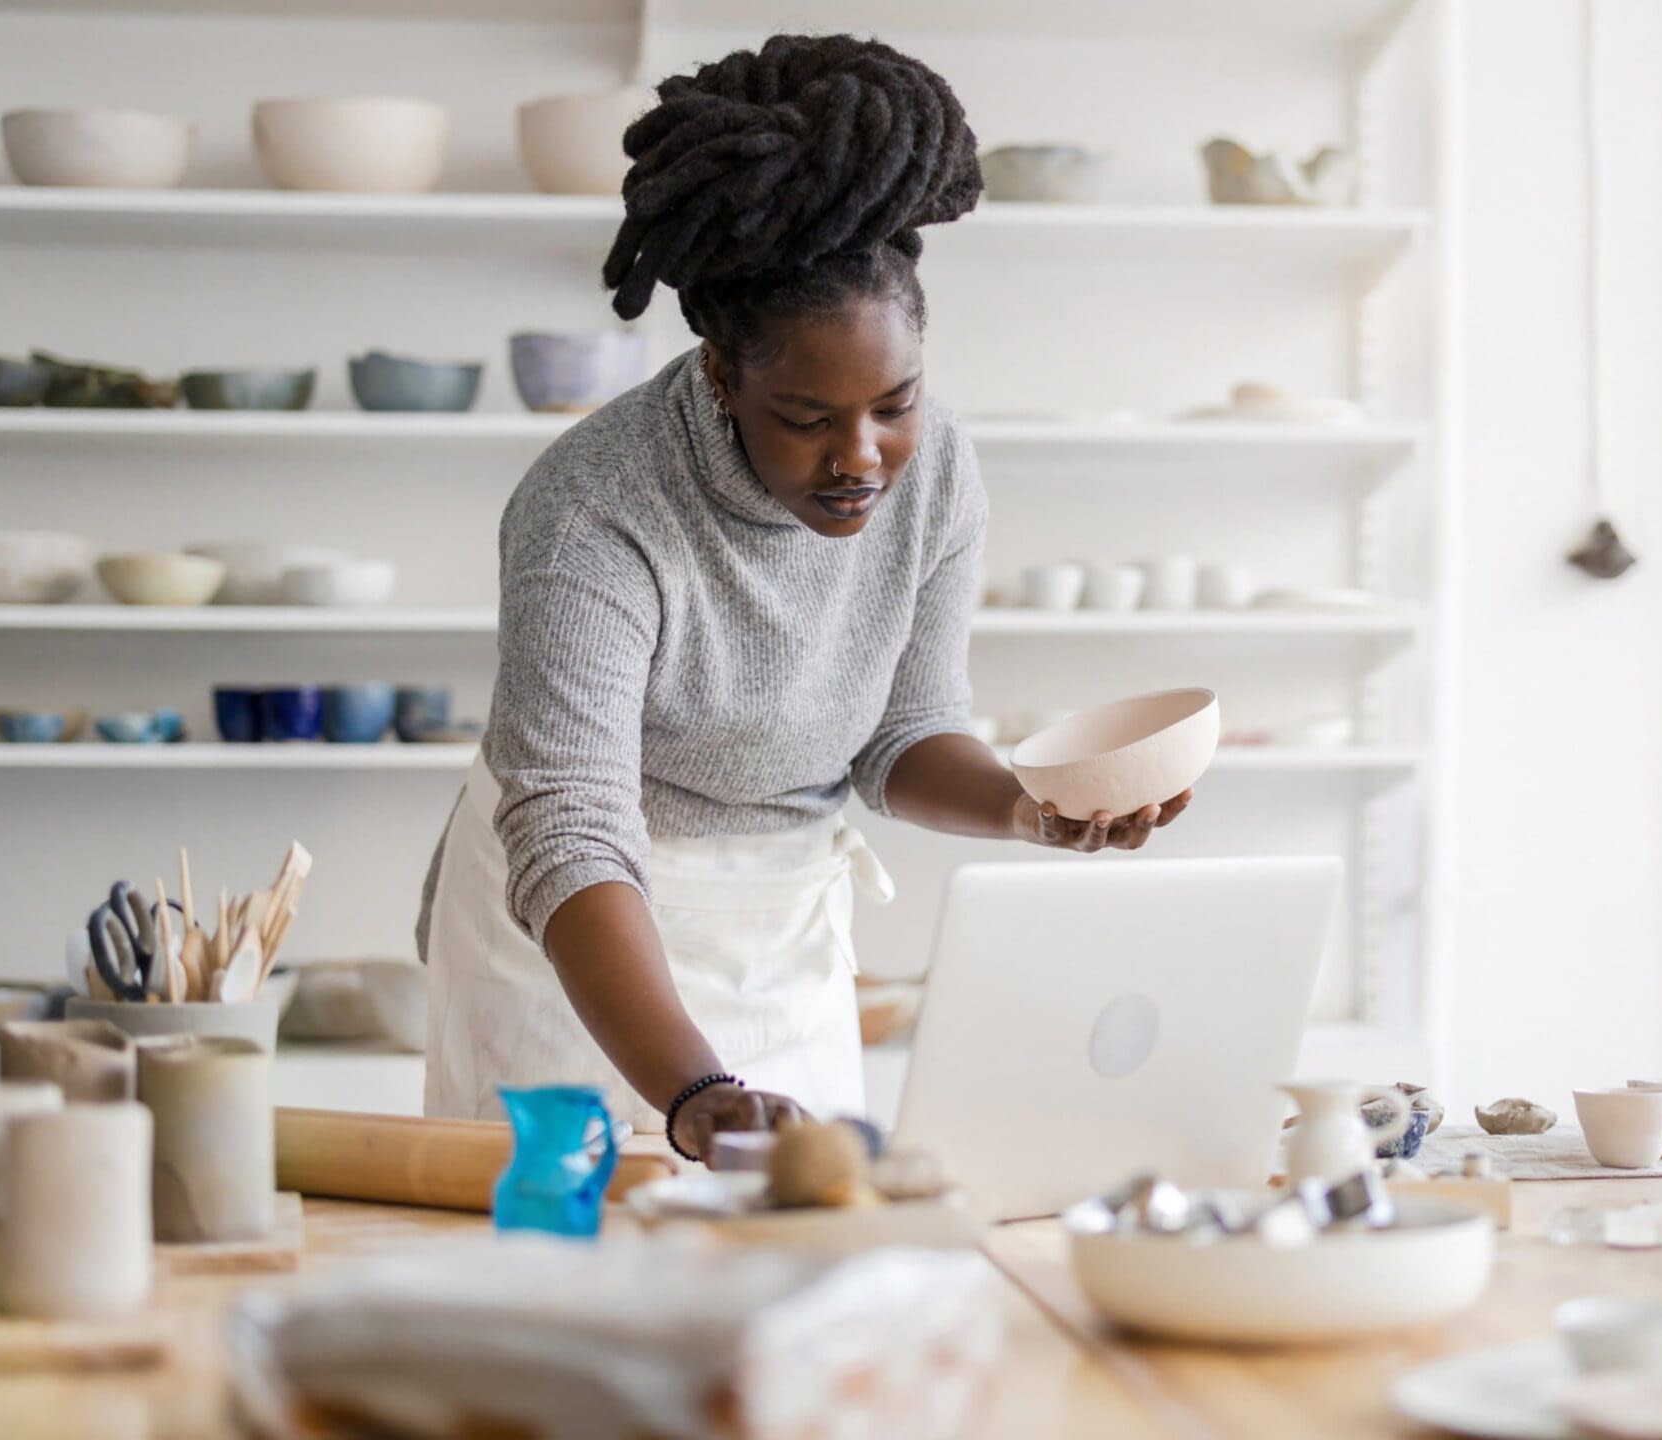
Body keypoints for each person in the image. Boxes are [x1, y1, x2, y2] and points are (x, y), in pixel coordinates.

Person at [421, 34, 1192, 1162]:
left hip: (784, 929)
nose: (863, 459)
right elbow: (570, 826)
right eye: (807, 418)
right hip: (578, 944)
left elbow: (903, 734)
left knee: (804, 1283)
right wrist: (693, 1091)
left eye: (896, 403)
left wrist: (1032, 808)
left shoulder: (938, 476)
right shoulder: (590, 512)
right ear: (724, 378)